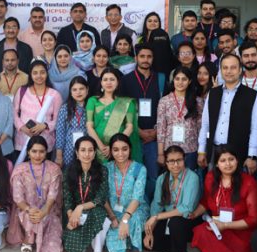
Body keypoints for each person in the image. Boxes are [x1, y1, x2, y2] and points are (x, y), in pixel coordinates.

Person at [190, 145, 257, 252]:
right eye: (222, 160)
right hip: (219, 226)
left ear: (237, 161)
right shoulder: (211, 178)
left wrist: (226, 225)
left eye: (231, 159)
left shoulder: (249, 182)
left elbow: (253, 219)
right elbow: (205, 202)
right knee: (201, 231)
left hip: (241, 229)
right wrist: (193, 214)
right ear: (216, 164)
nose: (227, 164)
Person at [198, 54, 257, 173]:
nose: (229, 71)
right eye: (225, 68)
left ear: (240, 70)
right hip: (214, 152)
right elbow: (205, 124)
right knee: (214, 188)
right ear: (221, 70)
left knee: (238, 189)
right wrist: (202, 150)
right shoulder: (213, 93)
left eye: (233, 67)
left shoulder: (252, 95)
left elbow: (255, 129)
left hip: (239, 153)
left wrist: (252, 156)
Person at [144, 145, 201, 252]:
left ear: (184, 159)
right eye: (171, 161)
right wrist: (149, 232)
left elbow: (186, 209)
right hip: (168, 216)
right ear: (166, 162)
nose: (175, 165)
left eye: (179, 160)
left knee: (176, 223)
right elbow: (156, 206)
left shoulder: (192, 178)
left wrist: (157, 217)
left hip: (187, 219)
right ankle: (172, 247)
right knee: (147, 241)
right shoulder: (162, 178)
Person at [7, 136, 64, 252]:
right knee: (30, 216)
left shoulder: (53, 169)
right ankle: (29, 238)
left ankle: (38, 237)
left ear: (46, 152)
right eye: (34, 151)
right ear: (28, 152)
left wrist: (43, 212)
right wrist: (29, 209)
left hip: (48, 210)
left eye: (41, 151)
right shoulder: (20, 170)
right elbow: (18, 198)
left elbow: (52, 196)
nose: (38, 155)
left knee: (54, 248)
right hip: (26, 210)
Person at [121, 44, 164, 196]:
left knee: (153, 176)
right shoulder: (125, 80)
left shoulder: (161, 79)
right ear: (136, 58)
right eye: (142, 56)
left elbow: (165, 107)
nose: (146, 60)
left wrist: (157, 131)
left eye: (149, 57)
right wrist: (137, 131)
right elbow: (122, 110)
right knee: (133, 176)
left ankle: (152, 210)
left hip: (154, 137)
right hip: (133, 136)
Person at [103, 133, 149, 252]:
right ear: (111, 151)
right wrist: (112, 216)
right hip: (113, 211)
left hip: (135, 209)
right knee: (114, 234)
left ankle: (136, 250)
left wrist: (125, 219)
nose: (120, 154)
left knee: (133, 221)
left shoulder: (140, 169)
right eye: (116, 150)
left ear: (130, 149)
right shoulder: (106, 168)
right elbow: (103, 196)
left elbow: (137, 197)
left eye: (124, 149)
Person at [61, 136, 110, 252]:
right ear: (77, 153)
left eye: (90, 150)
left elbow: (100, 198)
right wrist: (71, 215)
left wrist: (80, 207)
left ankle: (97, 251)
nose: (87, 154)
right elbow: (67, 197)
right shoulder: (68, 171)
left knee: (99, 214)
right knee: (73, 245)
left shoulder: (103, 170)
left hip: (93, 208)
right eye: (83, 150)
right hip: (74, 212)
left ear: (94, 153)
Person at [86, 68, 141, 163]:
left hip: (119, 150)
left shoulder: (126, 102)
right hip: (97, 147)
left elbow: (130, 127)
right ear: (101, 82)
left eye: (112, 79)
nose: (108, 82)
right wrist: (101, 147)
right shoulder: (92, 101)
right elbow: (89, 126)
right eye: (105, 79)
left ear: (118, 82)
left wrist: (114, 146)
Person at [13, 60, 62, 161]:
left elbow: (58, 119)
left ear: (47, 74)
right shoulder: (22, 91)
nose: (39, 76)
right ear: (30, 75)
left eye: (42, 72)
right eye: (35, 73)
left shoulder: (55, 95)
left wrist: (44, 126)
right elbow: (14, 113)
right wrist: (22, 127)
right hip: (23, 140)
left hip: (44, 143)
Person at [156, 66, 202, 170]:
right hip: (170, 149)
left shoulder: (197, 101)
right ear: (173, 80)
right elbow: (161, 129)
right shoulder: (164, 101)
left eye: (184, 79)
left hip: (190, 149)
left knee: (189, 181)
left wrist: (201, 152)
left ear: (189, 81)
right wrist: (160, 154)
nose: (180, 82)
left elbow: (200, 128)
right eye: (177, 79)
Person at [55, 76, 89, 168]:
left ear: (87, 89)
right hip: (69, 149)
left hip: (88, 149)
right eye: (74, 89)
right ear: (70, 92)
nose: (78, 92)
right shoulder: (65, 108)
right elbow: (60, 132)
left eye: (81, 89)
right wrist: (59, 155)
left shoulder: (91, 106)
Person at [138, 12, 175, 77]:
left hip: (161, 73)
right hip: (143, 72)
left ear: (159, 23)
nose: (152, 23)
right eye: (150, 21)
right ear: (145, 23)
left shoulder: (163, 36)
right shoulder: (140, 39)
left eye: (155, 21)